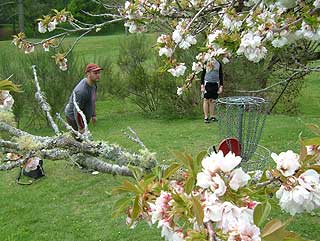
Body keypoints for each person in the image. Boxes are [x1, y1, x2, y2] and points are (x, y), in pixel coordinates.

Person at [65, 63, 103, 133]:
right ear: (88, 74)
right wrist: (81, 127)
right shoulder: (81, 91)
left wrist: (93, 115)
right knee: (79, 140)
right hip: (73, 117)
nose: (98, 75)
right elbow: (77, 110)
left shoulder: (93, 84)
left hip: (83, 116)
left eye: (99, 73)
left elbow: (92, 100)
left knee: (83, 140)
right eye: (95, 73)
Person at [200, 58, 223, 123]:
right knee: (206, 100)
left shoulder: (219, 63)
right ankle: (206, 117)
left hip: (215, 83)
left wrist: (221, 86)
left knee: (212, 100)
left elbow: (221, 75)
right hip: (207, 83)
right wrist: (202, 85)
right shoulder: (206, 62)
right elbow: (203, 74)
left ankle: (212, 116)